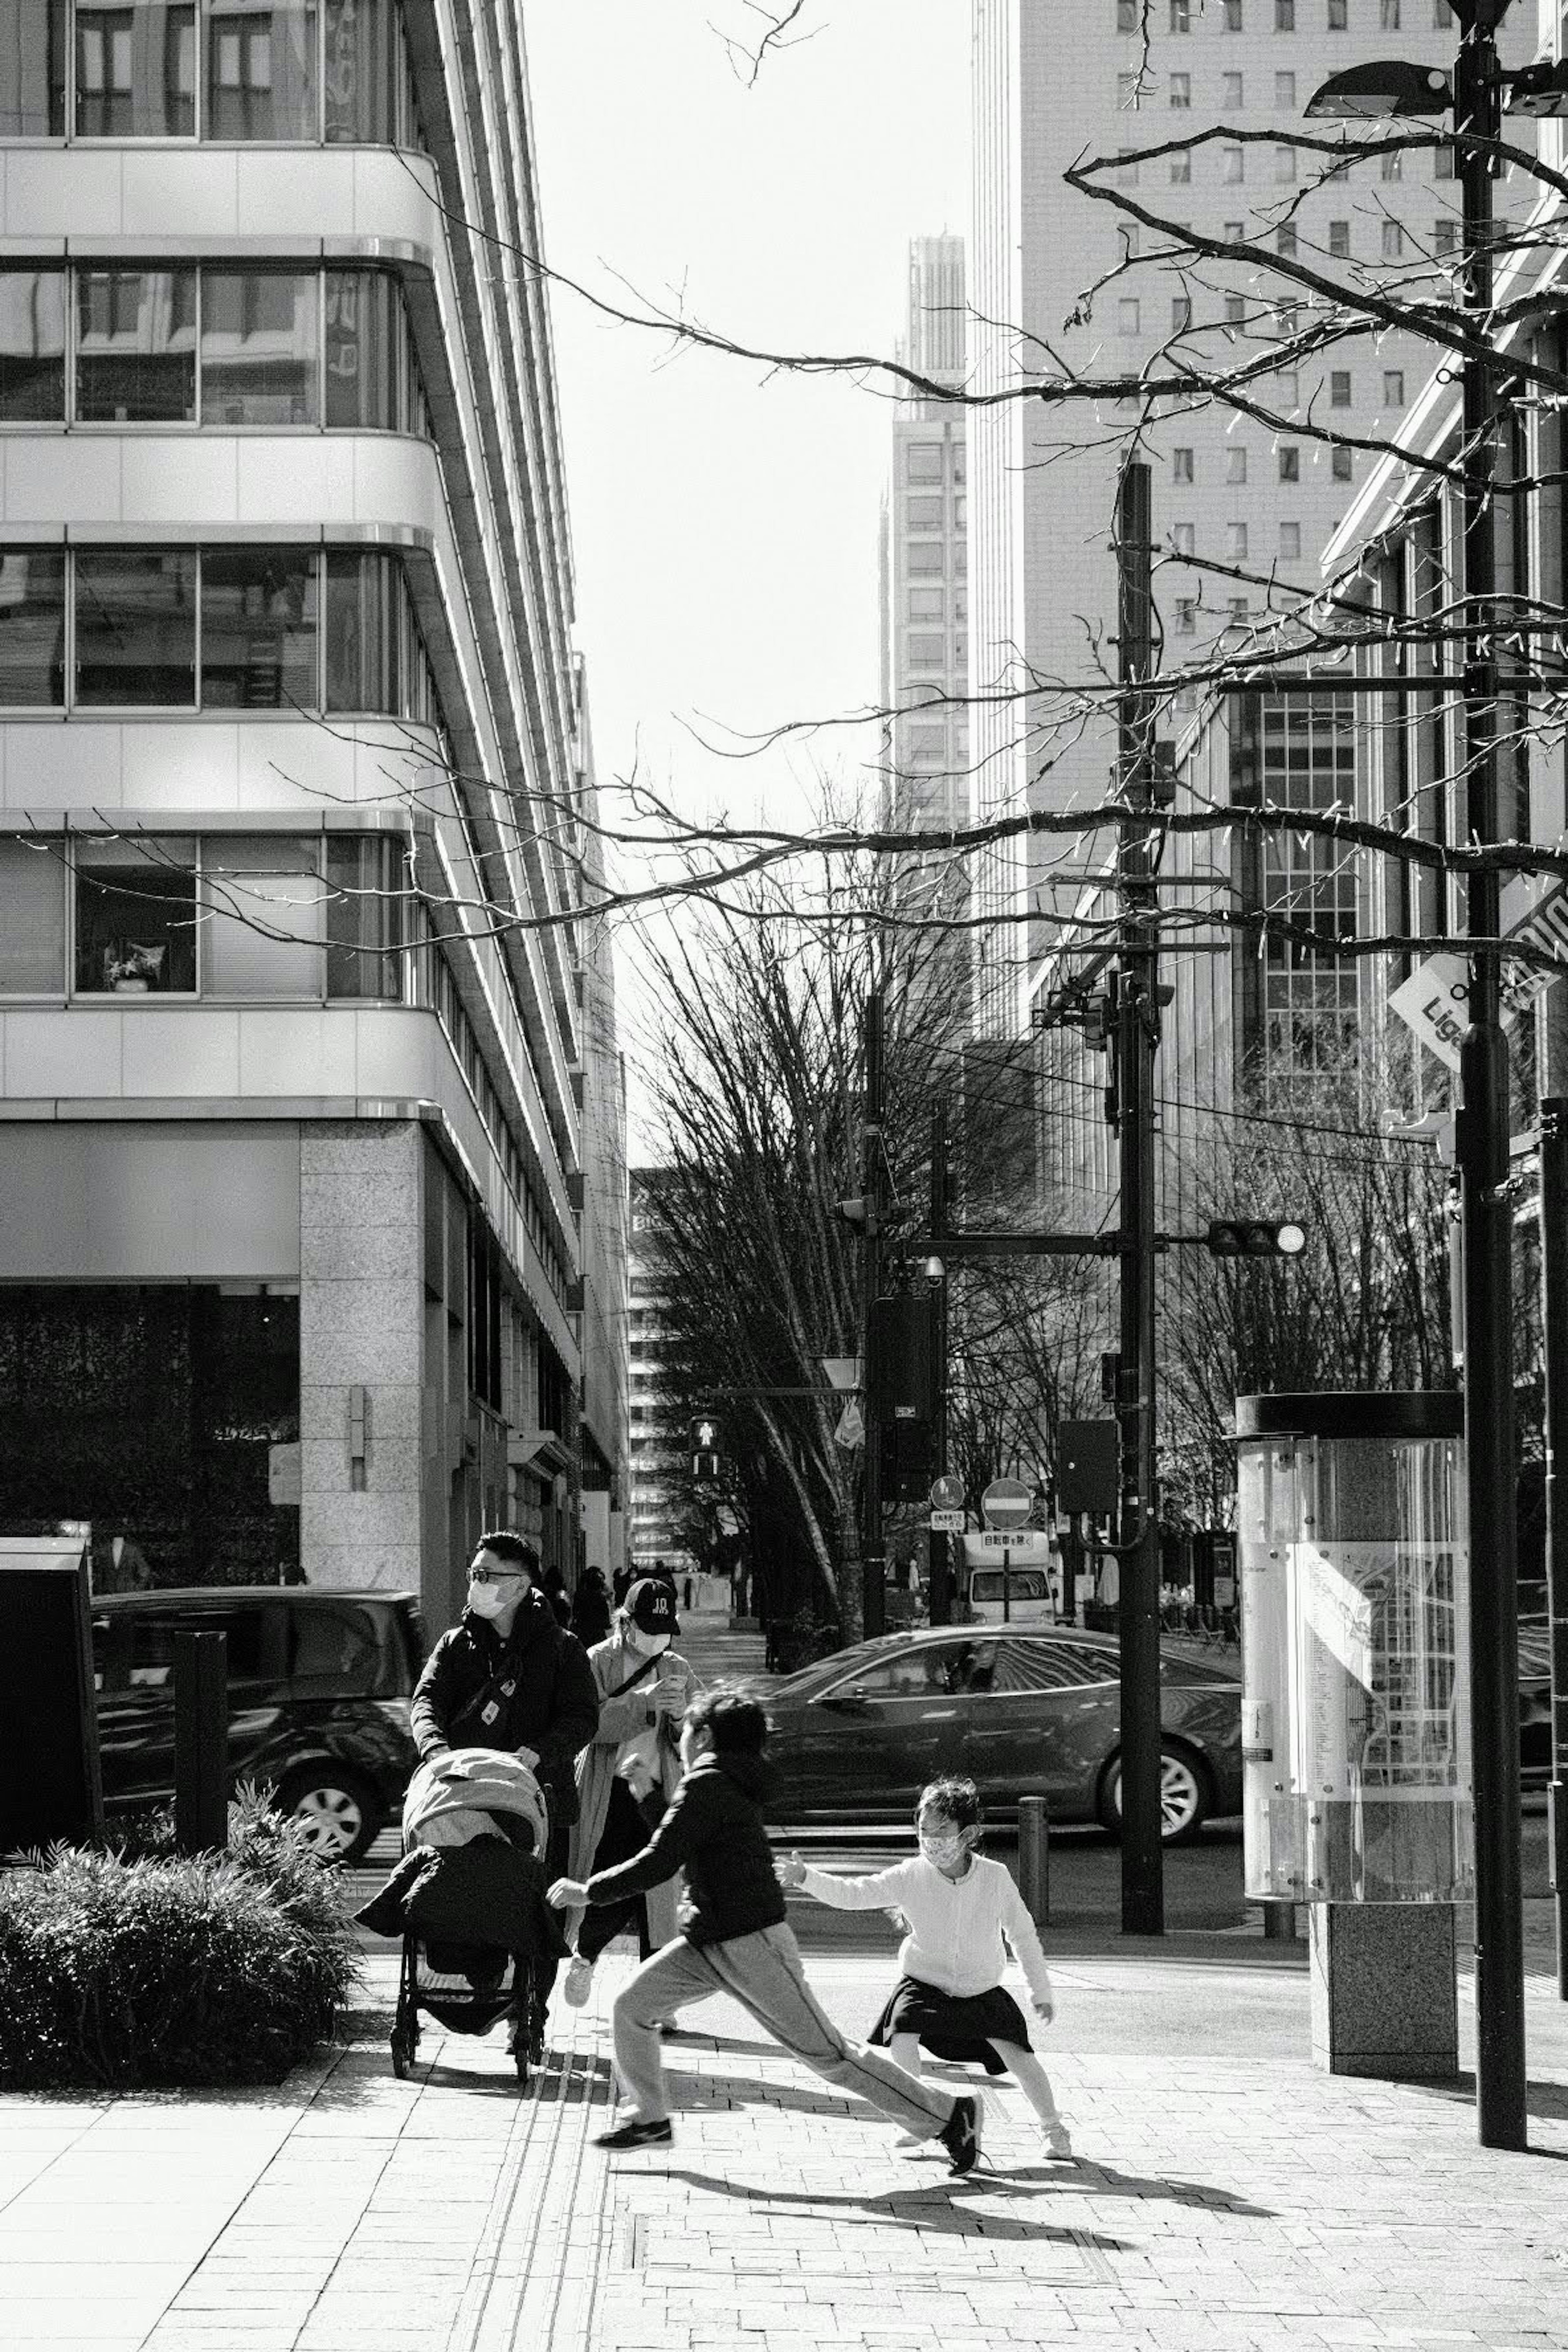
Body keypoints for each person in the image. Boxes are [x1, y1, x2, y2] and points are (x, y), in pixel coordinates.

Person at [547, 1690, 980, 2172]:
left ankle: (948, 2115)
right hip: (709, 1941)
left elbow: (661, 1860)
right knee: (632, 2007)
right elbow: (686, 1843)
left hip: (752, 1943)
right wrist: (649, 1796)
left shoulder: (709, 1783)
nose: (682, 1741)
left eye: (686, 1731)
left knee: (829, 2055)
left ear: (706, 1736)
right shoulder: (716, 1784)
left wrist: (588, 1891)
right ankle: (649, 2118)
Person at [780, 1775, 1071, 2159]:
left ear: (969, 1834)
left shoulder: (995, 1877)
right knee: (903, 2034)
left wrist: (1040, 1990)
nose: (931, 1839)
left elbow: (1023, 1934)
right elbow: (854, 1895)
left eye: (942, 1830)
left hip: (980, 1988)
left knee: (1021, 2058)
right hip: (924, 1982)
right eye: (924, 1830)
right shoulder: (909, 1875)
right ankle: (916, 2118)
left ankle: (1054, 2129)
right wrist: (806, 1878)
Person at [412, 1531, 600, 2050]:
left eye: (486, 1575)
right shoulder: (456, 1645)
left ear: (519, 1586)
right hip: (464, 1803)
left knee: (541, 1913)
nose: (476, 1585)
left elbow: (583, 1718)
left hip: (541, 1801)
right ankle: (484, 1984)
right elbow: (425, 1702)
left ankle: (530, 2017)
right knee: (471, 1903)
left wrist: (540, 1752)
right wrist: (436, 1751)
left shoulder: (562, 1649)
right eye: (475, 1574)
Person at [561, 1577, 702, 2003]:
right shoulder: (597, 1661)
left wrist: (681, 1720)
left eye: (665, 1629)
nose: (657, 1638)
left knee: (659, 1897)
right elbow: (586, 1724)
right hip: (610, 1792)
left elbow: (703, 1730)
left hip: (658, 1791)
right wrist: (644, 1703)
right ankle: (585, 1957)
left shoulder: (677, 1668)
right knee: (612, 1885)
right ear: (625, 1622)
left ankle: (655, 2000)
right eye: (649, 1626)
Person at [570, 1565, 612, 1648]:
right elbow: (606, 1622)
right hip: (597, 1635)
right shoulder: (600, 1598)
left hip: (582, 1632)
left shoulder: (579, 1595)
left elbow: (576, 1613)